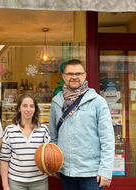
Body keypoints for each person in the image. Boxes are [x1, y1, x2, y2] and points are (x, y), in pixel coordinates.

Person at [49, 59, 115, 190]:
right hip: (65, 171)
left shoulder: (97, 102)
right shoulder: (56, 102)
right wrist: (55, 164)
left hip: (91, 172)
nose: (74, 77)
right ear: (63, 76)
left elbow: (107, 139)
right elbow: (53, 136)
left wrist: (105, 170)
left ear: (85, 75)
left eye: (78, 73)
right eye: (70, 74)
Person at [0, 93, 51, 190]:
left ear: (35, 109)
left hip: (39, 181)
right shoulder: (10, 130)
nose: (28, 109)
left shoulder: (43, 129)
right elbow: (4, 159)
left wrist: (49, 169)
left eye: (31, 106)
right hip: (15, 182)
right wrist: (5, 185)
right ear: (19, 108)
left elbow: (48, 155)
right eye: (25, 106)